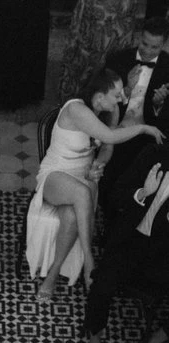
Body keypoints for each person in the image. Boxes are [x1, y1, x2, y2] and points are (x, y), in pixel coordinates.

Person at [26, 69, 164, 300]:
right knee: (81, 193)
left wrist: (98, 164)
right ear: (99, 96)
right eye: (116, 95)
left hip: (85, 176)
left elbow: (107, 148)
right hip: (56, 174)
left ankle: (52, 274)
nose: (121, 98)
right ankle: (89, 262)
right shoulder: (76, 109)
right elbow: (109, 137)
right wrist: (143, 127)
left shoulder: (110, 110)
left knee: (72, 215)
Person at [73, 142, 169, 343]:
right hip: (129, 242)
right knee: (101, 284)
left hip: (164, 252)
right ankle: (94, 341)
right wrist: (143, 192)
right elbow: (115, 194)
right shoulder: (154, 154)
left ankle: (157, 341)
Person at [99, 18, 169, 207]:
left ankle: (134, 209)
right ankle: (105, 207)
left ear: (163, 45)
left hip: (148, 133)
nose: (147, 51)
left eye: (155, 47)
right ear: (139, 37)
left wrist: (158, 104)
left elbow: (165, 119)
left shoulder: (167, 67)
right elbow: (102, 100)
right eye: (144, 44)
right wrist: (127, 90)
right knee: (111, 169)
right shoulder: (118, 59)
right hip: (116, 126)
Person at [58, 0, 134, 101]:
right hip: (94, 14)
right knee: (85, 56)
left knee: (113, 60)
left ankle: (106, 101)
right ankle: (75, 101)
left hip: (119, 12)